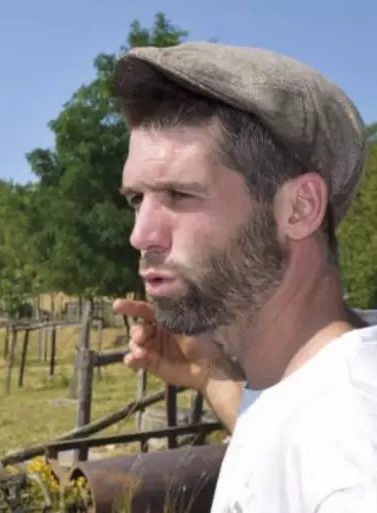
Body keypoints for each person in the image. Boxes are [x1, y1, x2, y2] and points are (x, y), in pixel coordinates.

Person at [109, 41, 377, 513]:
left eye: (179, 194)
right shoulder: (305, 396)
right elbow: (278, 437)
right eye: (137, 199)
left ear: (299, 208)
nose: (141, 234)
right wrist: (209, 374)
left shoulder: (349, 446)